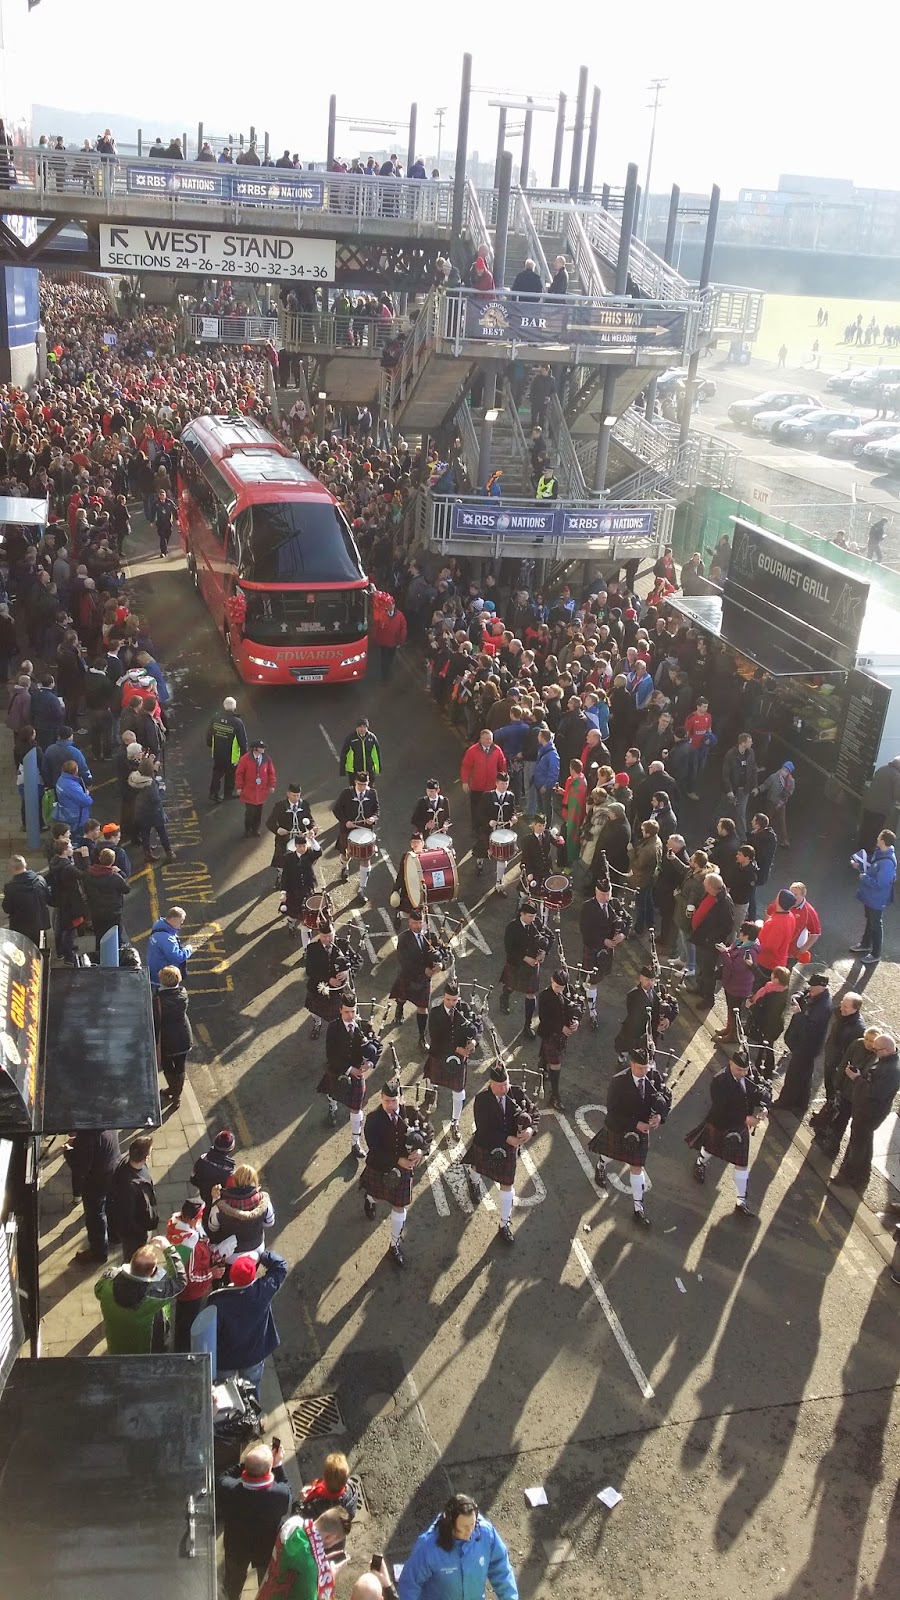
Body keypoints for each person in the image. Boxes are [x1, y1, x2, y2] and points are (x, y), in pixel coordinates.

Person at [588, 1045, 672, 1227]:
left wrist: (660, 1116)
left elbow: (665, 1098)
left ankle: (638, 1209)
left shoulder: (654, 1076)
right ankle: (601, 1164)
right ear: (632, 1064)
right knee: (610, 1154)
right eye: (640, 1068)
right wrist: (635, 1124)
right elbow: (613, 1112)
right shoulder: (618, 1081)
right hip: (620, 1127)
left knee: (637, 1167)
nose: (644, 1072)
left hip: (641, 1132)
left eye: (646, 1067)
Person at [686, 1047, 773, 1217]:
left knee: (742, 1163)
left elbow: (763, 1090)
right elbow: (722, 1110)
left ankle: (741, 1202)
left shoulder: (750, 1072)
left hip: (739, 1127)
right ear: (730, 1063)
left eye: (745, 1070)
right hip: (721, 1123)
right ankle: (700, 1163)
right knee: (711, 1148)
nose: (743, 1073)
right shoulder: (719, 1081)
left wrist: (764, 1107)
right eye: (739, 1069)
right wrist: (747, 1119)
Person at [463, 1062, 538, 1246]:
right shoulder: (482, 1100)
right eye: (500, 1086)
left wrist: (530, 1130)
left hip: (509, 1150)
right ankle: (473, 1181)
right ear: (491, 1084)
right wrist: (507, 1139)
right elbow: (483, 1129)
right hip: (487, 1144)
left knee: (507, 1184)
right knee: (477, 1167)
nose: (504, 1089)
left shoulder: (517, 1093)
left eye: (506, 1084)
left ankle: (504, 1224)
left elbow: (534, 1113)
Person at [360, 1079, 431, 1268]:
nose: (390, 1105)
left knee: (399, 1207)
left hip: (404, 1170)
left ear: (400, 1098)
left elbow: (429, 1131)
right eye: (386, 1101)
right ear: (381, 1098)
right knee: (376, 1195)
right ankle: (370, 1199)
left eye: (393, 1101)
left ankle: (394, 1245)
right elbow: (374, 1149)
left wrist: (421, 1150)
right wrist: (397, 1160)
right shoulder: (373, 1119)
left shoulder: (412, 1113)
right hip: (380, 1166)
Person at [398, 1494, 519, 1600]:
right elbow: (409, 1584)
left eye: (472, 1524)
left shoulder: (486, 1533)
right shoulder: (428, 1547)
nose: (470, 1531)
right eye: (464, 1527)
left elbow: (501, 1569)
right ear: (450, 1524)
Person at [216, 1441, 293, 1600]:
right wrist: (278, 1465)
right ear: (269, 1470)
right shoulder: (280, 1494)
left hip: (236, 1546)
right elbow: (286, 1487)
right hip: (266, 1548)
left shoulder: (228, 1488)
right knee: (266, 1581)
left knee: (232, 1582)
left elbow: (224, 1475)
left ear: (246, 1469)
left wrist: (249, 1464)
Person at [209, 1249, 287, 1391]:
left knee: (224, 1394)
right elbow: (280, 1266)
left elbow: (211, 1333)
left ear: (231, 1275)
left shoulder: (218, 1302)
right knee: (251, 1391)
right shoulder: (263, 1290)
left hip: (226, 1358)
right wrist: (261, 1255)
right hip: (253, 1354)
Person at [94, 1236, 186, 1353]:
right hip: (147, 1349)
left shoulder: (107, 1281)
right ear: (152, 1272)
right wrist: (169, 1250)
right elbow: (179, 1281)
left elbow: (98, 1291)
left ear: (131, 1261)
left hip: (116, 1343)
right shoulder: (152, 1295)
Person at [831, 1034, 900, 1188]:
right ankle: (863, 1175)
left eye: (876, 1049)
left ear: (886, 1050)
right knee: (865, 1141)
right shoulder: (887, 1061)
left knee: (857, 1145)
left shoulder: (892, 1071)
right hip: (868, 1110)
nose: (873, 1052)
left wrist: (856, 1078)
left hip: (870, 1112)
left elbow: (875, 1092)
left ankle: (847, 1174)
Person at [318, 992, 381, 1150]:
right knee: (332, 1094)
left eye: (353, 1011)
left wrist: (370, 1064)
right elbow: (331, 1055)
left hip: (358, 1075)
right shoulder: (333, 1028)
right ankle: (333, 1108)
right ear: (340, 1010)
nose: (350, 1015)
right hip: (338, 1070)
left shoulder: (364, 1026)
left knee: (356, 1108)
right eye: (346, 1011)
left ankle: (355, 1143)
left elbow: (378, 1047)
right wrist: (349, 1069)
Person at [255, 1506, 353, 1600]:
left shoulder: (294, 1523)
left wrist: (318, 1561)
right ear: (330, 1537)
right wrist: (330, 1579)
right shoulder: (310, 1572)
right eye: (336, 1542)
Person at [775, 973, 833, 1113]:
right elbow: (803, 992)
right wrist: (796, 997)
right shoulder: (814, 994)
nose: (810, 988)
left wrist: (799, 1013)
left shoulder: (823, 1007)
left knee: (794, 1075)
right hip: (801, 1043)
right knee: (804, 1075)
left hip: (806, 1047)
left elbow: (810, 1028)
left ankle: (785, 1102)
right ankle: (801, 1104)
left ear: (822, 987)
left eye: (813, 986)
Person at [165, 1197, 215, 1351]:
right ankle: (183, 1351)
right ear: (189, 1218)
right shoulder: (190, 1245)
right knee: (187, 1324)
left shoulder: (175, 1224)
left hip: (181, 1287)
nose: (200, 1219)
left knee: (181, 1317)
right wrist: (211, 1273)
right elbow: (191, 1276)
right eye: (198, 1217)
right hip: (191, 1292)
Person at [580, 878, 629, 1027]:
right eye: (602, 894)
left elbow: (628, 919)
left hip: (607, 951)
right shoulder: (587, 907)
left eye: (608, 894)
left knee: (597, 977)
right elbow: (586, 932)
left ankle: (584, 983)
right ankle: (592, 1012)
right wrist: (603, 941)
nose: (605, 897)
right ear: (596, 892)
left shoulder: (614, 904)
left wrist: (623, 935)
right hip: (593, 948)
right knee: (592, 981)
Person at [389, 908, 444, 1044]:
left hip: (424, 980)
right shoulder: (403, 939)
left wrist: (441, 964)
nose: (418, 926)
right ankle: (399, 1009)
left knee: (423, 1007)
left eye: (420, 923)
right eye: (415, 923)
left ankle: (421, 1037)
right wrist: (423, 969)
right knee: (402, 997)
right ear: (409, 922)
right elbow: (404, 961)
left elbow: (443, 951)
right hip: (408, 976)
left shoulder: (431, 936)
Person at [67, 1127, 119, 1265]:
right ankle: (115, 1235)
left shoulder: (87, 1135)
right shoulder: (108, 1123)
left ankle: (98, 1253)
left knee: (95, 1216)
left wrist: (68, 1152)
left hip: (96, 1182)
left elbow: (80, 1167)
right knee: (111, 1205)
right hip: (112, 1171)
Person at [498, 901, 548, 1039]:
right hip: (517, 964)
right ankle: (504, 997)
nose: (533, 919)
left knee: (531, 994)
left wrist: (543, 952)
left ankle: (527, 1025)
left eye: (534, 916)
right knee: (511, 985)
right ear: (522, 914)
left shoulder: (536, 923)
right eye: (530, 916)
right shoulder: (512, 927)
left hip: (532, 965)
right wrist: (525, 958)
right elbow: (509, 948)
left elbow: (549, 937)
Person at [460, 729, 507, 874]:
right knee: (475, 810)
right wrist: (465, 781)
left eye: (490, 739)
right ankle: (477, 829)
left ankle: (488, 829)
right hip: (477, 787)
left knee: (490, 810)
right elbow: (466, 766)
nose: (489, 741)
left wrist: (503, 780)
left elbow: (502, 765)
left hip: (491, 787)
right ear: (481, 739)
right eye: (486, 739)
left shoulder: (497, 750)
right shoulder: (472, 751)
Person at [107, 1134, 158, 1260]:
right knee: (135, 1258)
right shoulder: (132, 1186)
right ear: (146, 1157)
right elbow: (128, 1216)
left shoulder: (126, 1163)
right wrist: (141, 1232)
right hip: (135, 1234)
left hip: (135, 1227)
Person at [850, 828, 897, 966]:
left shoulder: (887, 863)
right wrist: (859, 865)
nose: (877, 838)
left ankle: (876, 953)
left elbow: (880, 884)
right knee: (871, 920)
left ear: (883, 841)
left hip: (876, 898)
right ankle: (865, 944)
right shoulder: (880, 852)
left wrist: (864, 877)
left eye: (879, 837)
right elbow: (872, 865)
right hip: (871, 897)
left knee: (876, 924)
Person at [305, 922, 358, 1041]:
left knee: (337, 1013)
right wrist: (328, 979)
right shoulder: (312, 948)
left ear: (334, 932)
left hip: (338, 990)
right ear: (319, 934)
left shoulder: (343, 945)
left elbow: (357, 960)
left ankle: (338, 1030)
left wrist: (347, 971)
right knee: (315, 1011)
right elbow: (310, 971)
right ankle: (317, 1024)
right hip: (318, 987)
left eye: (330, 935)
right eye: (324, 936)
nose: (327, 939)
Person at [688, 871, 735, 1006]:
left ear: (711, 886)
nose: (703, 885)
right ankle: (700, 988)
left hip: (710, 943)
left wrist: (711, 939)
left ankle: (708, 999)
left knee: (709, 971)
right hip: (702, 938)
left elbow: (728, 926)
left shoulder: (725, 903)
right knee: (702, 966)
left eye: (705, 883)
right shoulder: (711, 894)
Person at [332, 770, 380, 900]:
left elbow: (377, 810)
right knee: (346, 855)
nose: (362, 787)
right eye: (360, 784)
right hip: (347, 830)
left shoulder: (372, 793)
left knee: (366, 858)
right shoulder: (346, 793)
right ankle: (344, 866)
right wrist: (345, 821)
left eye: (365, 784)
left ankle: (361, 889)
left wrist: (373, 818)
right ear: (355, 782)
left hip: (366, 831)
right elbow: (336, 810)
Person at [537, 968, 580, 1109]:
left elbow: (579, 1006)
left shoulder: (570, 990)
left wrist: (576, 1021)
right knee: (556, 1064)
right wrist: (561, 1027)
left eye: (562, 987)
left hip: (562, 1036)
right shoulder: (544, 996)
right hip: (551, 1034)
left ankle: (542, 1064)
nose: (559, 990)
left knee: (549, 1055)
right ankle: (555, 1096)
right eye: (556, 986)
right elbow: (544, 1018)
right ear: (551, 980)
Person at [714, 920, 761, 1046]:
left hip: (738, 986)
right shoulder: (740, 942)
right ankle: (728, 1029)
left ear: (746, 935)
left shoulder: (750, 952)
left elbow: (734, 967)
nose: (739, 932)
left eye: (741, 931)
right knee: (730, 1008)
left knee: (735, 1011)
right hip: (731, 983)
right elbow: (731, 950)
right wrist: (726, 949)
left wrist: (724, 953)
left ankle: (733, 1035)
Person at [155, 964, 193, 1109]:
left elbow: (155, 1020)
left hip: (166, 1039)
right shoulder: (183, 994)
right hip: (183, 1036)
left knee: (167, 1066)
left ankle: (173, 1090)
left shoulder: (158, 1000)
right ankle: (177, 1096)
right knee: (180, 1066)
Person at [745, 965, 791, 1077]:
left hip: (769, 1028)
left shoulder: (775, 997)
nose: (771, 976)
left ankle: (762, 1073)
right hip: (770, 1026)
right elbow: (762, 977)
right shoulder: (775, 988)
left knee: (765, 1051)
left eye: (773, 974)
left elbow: (764, 1013)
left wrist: (751, 1006)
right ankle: (763, 1071)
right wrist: (752, 966)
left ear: (776, 979)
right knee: (765, 1049)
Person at [267, 782, 315, 888]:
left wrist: (312, 829)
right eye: (294, 795)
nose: (296, 798)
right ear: (288, 794)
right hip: (284, 838)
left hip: (300, 838)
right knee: (282, 861)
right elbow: (269, 823)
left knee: (305, 858)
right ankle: (280, 876)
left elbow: (310, 820)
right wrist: (278, 829)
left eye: (298, 795)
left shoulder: (304, 804)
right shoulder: (280, 806)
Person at [3, 855, 50, 946]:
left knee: (21, 949)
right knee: (38, 948)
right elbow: (48, 898)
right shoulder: (40, 880)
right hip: (39, 924)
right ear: (25, 865)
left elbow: (7, 909)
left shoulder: (10, 888)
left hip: (20, 927)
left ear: (12, 868)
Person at [207, 696, 248, 802]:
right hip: (231, 755)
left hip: (217, 752)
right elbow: (242, 740)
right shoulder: (237, 722)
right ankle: (228, 794)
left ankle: (213, 793)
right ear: (234, 707)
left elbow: (209, 733)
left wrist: (210, 744)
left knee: (217, 772)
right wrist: (245, 754)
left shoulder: (215, 718)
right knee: (230, 774)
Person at [234, 740, 277, 838]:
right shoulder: (245, 759)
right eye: (261, 747)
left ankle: (255, 829)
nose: (263, 749)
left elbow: (271, 773)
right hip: (249, 791)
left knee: (258, 812)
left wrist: (271, 785)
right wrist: (239, 787)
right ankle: (247, 830)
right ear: (255, 749)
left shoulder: (266, 758)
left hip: (261, 791)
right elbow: (239, 774)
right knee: (249, 812)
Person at [858, 756, 900, 854]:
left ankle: (860, 848)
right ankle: (868, 852)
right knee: (874, 831)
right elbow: (897, 795)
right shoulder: (897, 777)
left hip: (869, 804)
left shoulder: (881, 769)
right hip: (881, 809)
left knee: (865, 827)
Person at [721, 734, 758, 841]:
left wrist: (755, 786)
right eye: (749, 741)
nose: (751, 743)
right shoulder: (730, 755)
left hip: (744, 789)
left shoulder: (751, 753)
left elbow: (754, 769)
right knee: (724, 809)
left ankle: (743, 838)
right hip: (733, 788)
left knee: (741, 812)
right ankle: (718, 828)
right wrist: (729, 790)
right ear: (742, 743)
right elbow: (725, 774)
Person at [148, 906, 193, 986]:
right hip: (163, 976)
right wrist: (188, 949)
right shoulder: (167, 939)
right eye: (180, 922)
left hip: (154, 969)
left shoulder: (158, 925)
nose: (181, 925)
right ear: (173, 920)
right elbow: (177, 957)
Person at [191, 1128, 237, 1206]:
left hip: (203, 1192)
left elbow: (193, 1177)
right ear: (229, 1150)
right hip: (216, 1199)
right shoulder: (229, 1170)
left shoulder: (203, 1158)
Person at [759, 761, 795, 847]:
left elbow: (790, 791)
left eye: (786, 771)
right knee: (767, 819)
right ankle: (762, 836)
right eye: (783, 769)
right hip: (771, 801)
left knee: (782, 822)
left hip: (782, 803)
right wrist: (758, 789)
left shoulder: (791, 781)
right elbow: (765, 785)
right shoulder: (774, 777)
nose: (784, 772)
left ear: (789, 773)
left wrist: (786, 795)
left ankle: (785, 840)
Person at [371, 596, 407, 680]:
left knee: (390, 659)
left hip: (393, 643)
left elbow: (403, 628)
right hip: (383, 642)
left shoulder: (400, 615)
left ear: (394, 605)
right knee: (384, 660)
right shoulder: (382, 614)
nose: (390, 606)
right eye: (388, 604)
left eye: (391, 604)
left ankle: (388, 672)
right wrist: (375, 638)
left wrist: (401, 641)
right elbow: (376, 626)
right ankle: (384, 676)